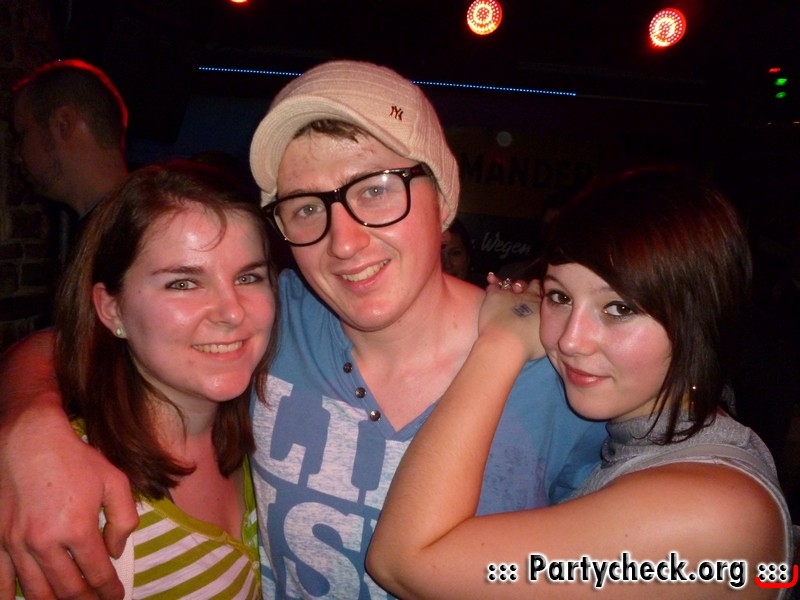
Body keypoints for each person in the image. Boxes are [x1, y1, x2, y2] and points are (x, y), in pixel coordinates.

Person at [0, 60, 607, 599]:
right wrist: (31, 426)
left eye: (376, 189)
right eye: (308, 207)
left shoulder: (562, 363)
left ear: (443, 197)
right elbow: (82, 339)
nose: (344, 242)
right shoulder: (268, 318)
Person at [366, 167, 795, 598]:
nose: (570, 340)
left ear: (700, 318)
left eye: (619, 308)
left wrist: (501, 342)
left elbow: (403, 561)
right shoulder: (667, 441)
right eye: (560, 297)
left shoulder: (710, 510)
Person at [12, 159, 277, 598]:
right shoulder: (69, 503)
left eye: (249, 277)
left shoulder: (267, 442)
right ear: (112, 309)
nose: (233, 312)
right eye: (183, 283)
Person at [10, 59, 129, 218]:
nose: (16, 156)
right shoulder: (130, 219)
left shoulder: (146, 224)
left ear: (63, 124)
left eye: (22, 135)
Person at [441, 217, 483, 285]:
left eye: (455, 253)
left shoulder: (484, 288)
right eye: (437, 256)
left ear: (468, 258)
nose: (447, 265)